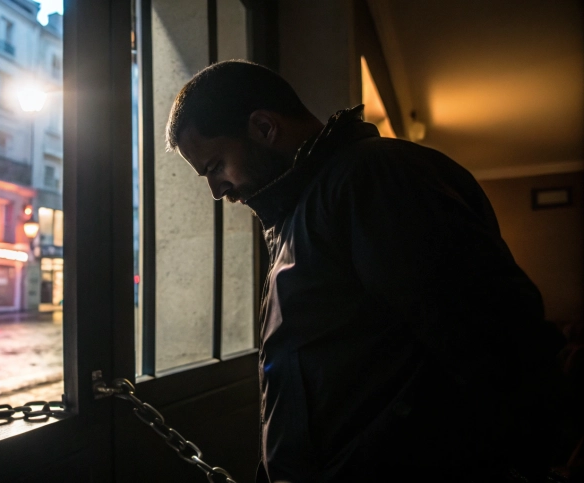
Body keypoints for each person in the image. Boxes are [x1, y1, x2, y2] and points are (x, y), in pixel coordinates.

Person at [166, 60, 562, 482]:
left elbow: (494, 338)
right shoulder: (307, 210)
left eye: (215, 166)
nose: (217, 190)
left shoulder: (373, 179)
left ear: (264, 127)